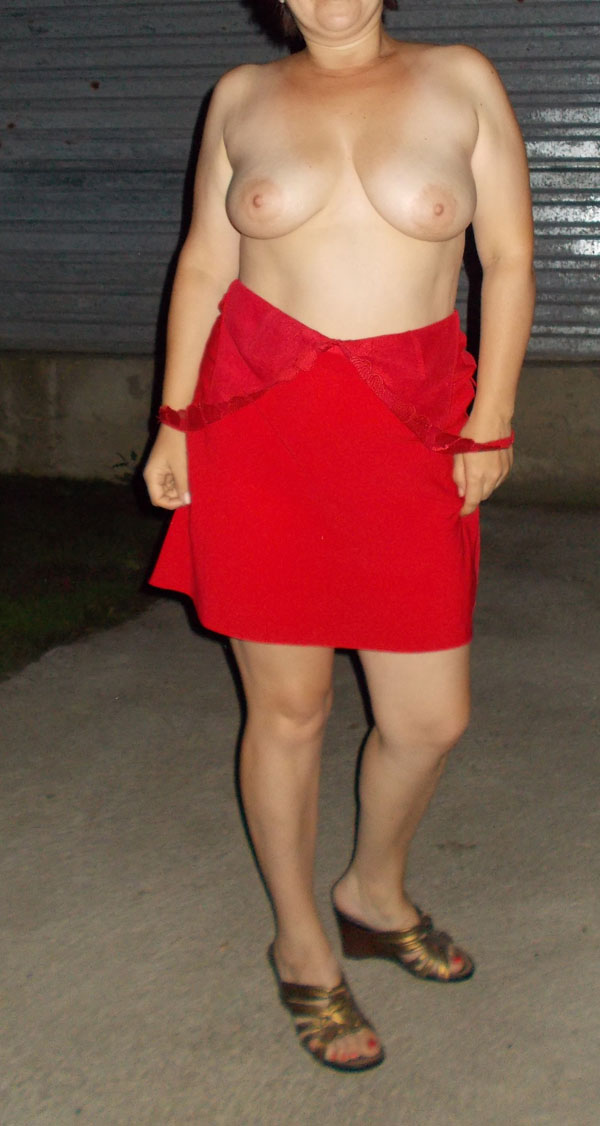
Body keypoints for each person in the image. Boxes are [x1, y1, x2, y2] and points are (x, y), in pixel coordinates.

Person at [144, 0, 535, 1072]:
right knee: (289, 710)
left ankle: (372, 887)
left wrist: (492, 414)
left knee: (430, 717)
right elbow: (203, 266)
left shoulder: (459, 78)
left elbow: (506, 256)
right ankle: (303, 942)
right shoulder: (242, 96)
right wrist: (174, 419)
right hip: (256, 429)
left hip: (409, 428)